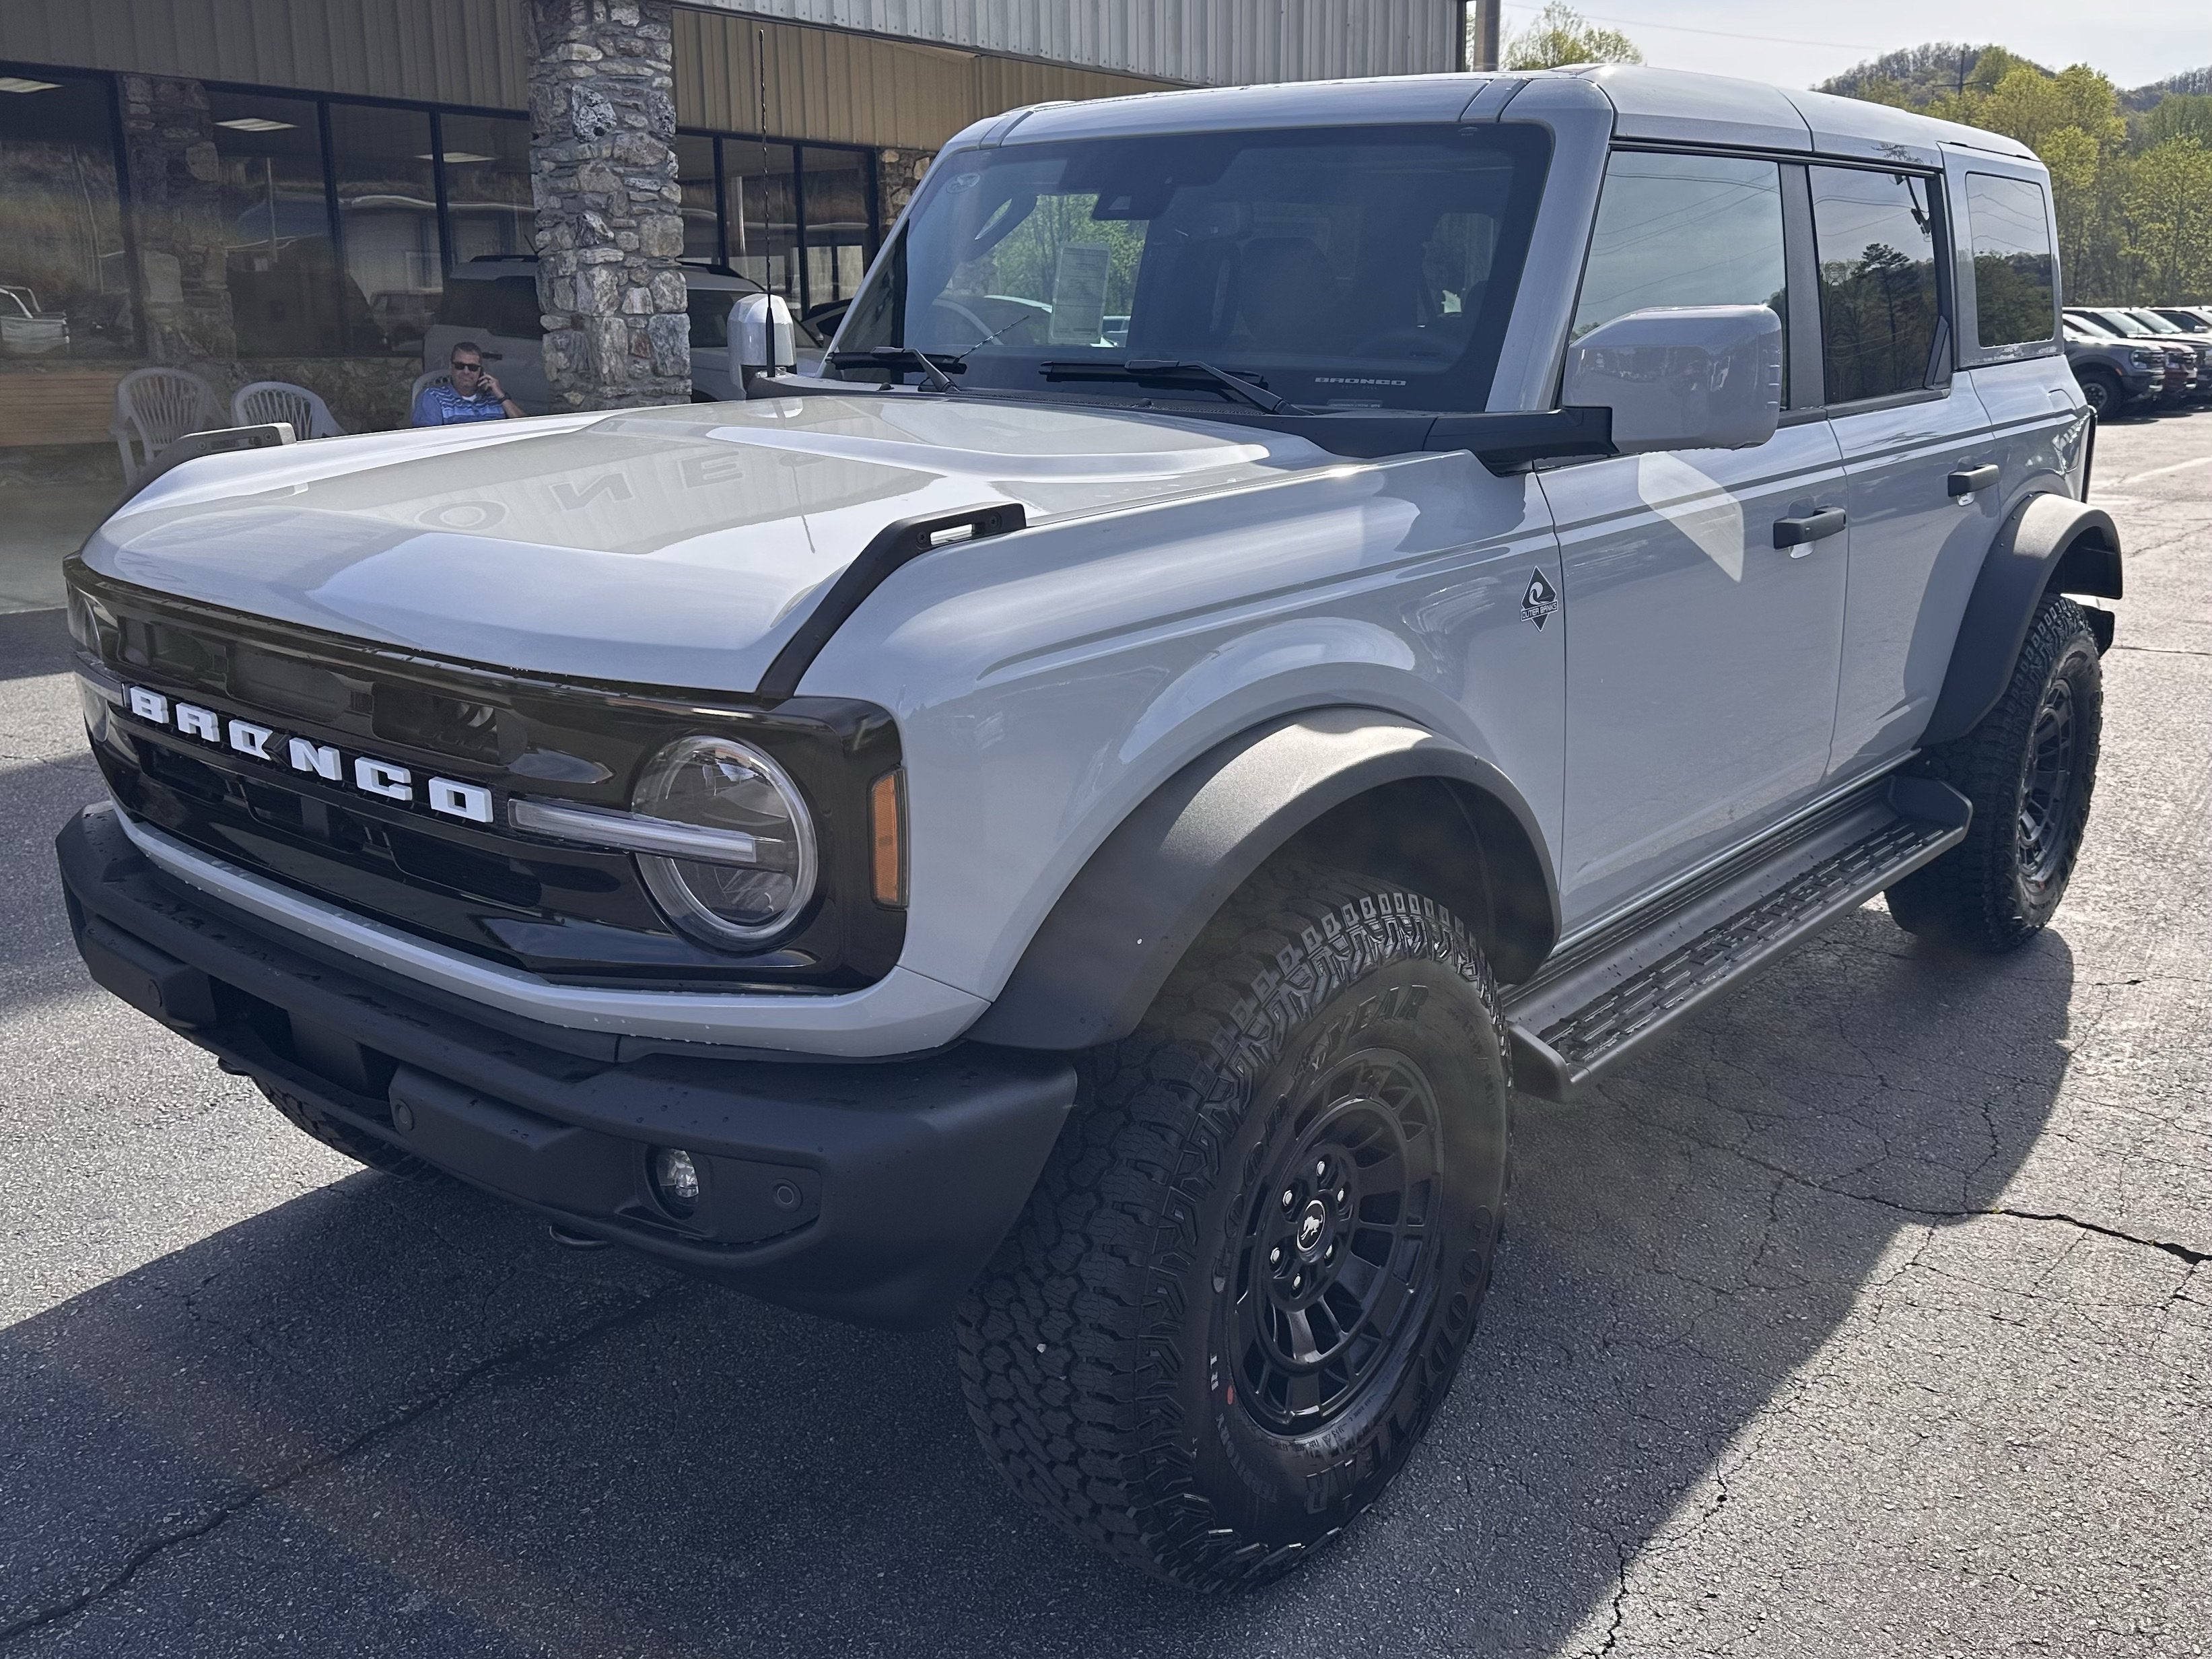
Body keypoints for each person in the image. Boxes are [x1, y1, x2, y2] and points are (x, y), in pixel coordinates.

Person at [411, 343, 524, 426]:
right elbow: (428, 439)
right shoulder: (433, 396)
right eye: (460, 366)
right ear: (451, 367)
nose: (466, 372)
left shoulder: (495, 397)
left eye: (473, 367)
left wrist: (501, 396)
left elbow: (526, 427)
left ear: (481, 370)